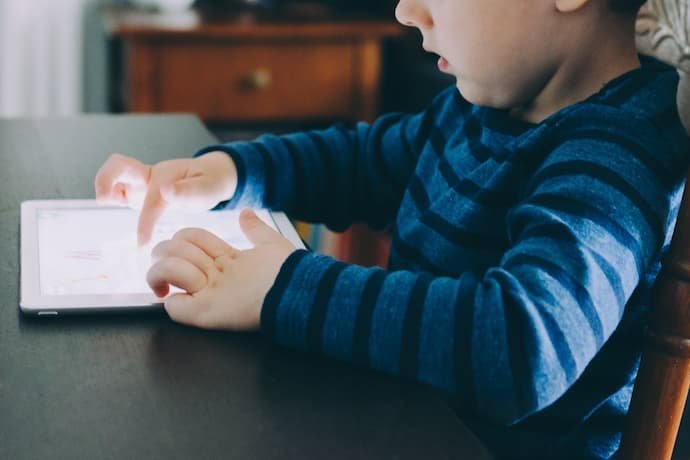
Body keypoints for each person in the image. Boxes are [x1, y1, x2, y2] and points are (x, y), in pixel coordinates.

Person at [94, 0, 690, 458]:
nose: (407, 11)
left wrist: (284, 285)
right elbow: (362, 162)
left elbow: (524, 345)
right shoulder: (482, 108)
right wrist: (229, 172)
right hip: (403, 421)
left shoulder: (618, 154)